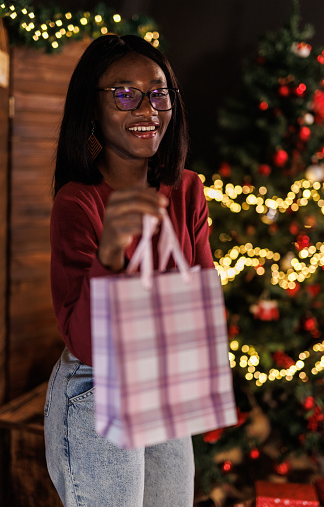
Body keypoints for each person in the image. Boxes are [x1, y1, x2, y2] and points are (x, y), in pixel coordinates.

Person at [44, 34, 214, 507]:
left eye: (158, 92)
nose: (147, 108)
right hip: (98, 389)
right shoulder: (78, 203)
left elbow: (201, 297)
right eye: (124, 94)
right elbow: (86, 342)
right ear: (93, 108)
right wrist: (111, 256)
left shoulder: (186, 190)